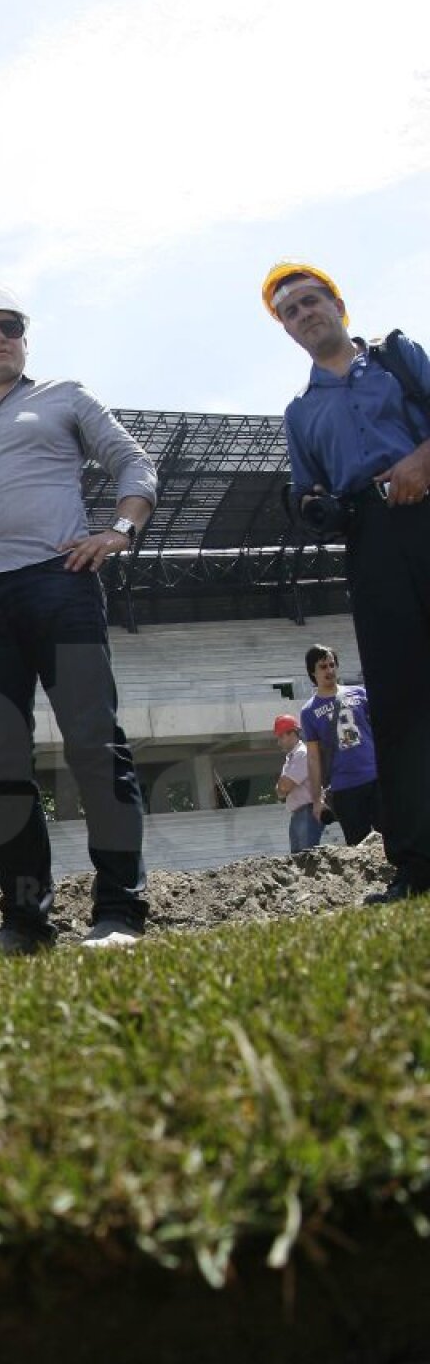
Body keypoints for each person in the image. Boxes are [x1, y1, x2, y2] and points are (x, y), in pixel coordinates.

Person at [0, 282, 156, 953]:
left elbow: (134, 462)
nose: (0, 337)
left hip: (60, 583)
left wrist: (120, 531)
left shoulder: (66, 397)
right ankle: (24, 922)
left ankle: (120, 911)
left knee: (94, 743)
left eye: (11, 326)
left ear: (24, 337)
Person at [264, 260, 430, 902]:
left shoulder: (398, 358)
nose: (304, 314)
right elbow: (307, 491)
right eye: (291, 312)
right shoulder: (299, 412)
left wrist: (420, 460)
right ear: (287, 330)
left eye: (312, 301)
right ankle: (416, 862)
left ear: (338, 304)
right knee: (399, 701)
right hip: (371, 541)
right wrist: (314, 507)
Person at [297, 644, 382, 846]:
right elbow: (313, 758)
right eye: (323, 667)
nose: (329, 670)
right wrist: (317, 799)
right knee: (358, 846)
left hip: (376, 779)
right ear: (312, 672)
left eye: (332, 665)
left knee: (392, 838)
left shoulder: (360, 693)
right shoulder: (309, 711)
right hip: (345, 787)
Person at [273, 713, 322, 854]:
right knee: (297, 858)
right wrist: (282, 787)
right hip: (299, 814)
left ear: (292, 734)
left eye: (281, 737)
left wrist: (282, 786)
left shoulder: (302, 754)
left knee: (306, 857)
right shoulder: (291, 757)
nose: (279, 742)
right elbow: (280, 792)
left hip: (307, 812)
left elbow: (284, 787)